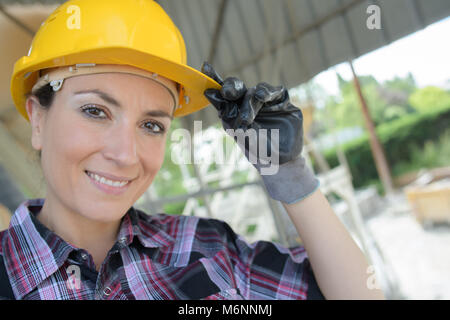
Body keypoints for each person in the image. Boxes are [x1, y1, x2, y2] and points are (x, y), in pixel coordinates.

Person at [0, 0, 384, 300]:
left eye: (152, 125)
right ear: (37, 120)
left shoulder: (209, 252)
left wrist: (291, 177)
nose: (126, 154)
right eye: (95, 111)